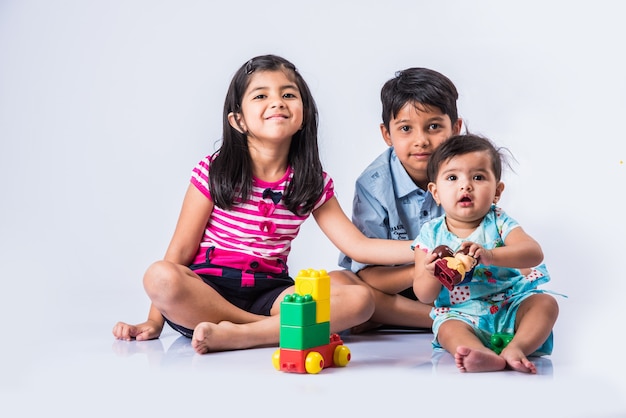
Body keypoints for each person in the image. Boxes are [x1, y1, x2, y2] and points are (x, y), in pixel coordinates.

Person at [112, 54, 415, 354]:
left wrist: (422, 246)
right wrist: (154, 321)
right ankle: (266, 329)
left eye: (288, 94)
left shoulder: (311, 181)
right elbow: (178, 252)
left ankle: (243, 333)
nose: (277, 102)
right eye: (261, 95)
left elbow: (358, 246)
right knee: (160, 275)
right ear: (238, 120)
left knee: (358, 298)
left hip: (270, 293)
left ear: (304, 115)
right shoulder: (213, 171)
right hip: (205, 292)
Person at [412, 133, 560, 373]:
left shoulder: (499, 221)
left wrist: (490, 256)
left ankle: (518, 347)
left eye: (478, 177)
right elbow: (422, 294)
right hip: (462, 314)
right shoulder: (430, 234)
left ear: (497, 191)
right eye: (452, 177)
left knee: (545, 303)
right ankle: (478, 353)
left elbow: (534, 253)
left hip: (510, 305)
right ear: (435, 192)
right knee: (447, 328)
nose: (465, 185)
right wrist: (432, 273)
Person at [333, 68, 463, 332]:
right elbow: (368, 275)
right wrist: (424, 267)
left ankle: (434, 315)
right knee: (338, 283)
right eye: (406, 128)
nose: (422, 140)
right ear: (387, 135)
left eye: (435, 126)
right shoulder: (373, 185)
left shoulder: (467, 173)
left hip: (454, 284)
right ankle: (441, 319)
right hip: (393, 285)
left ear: (456, 128)